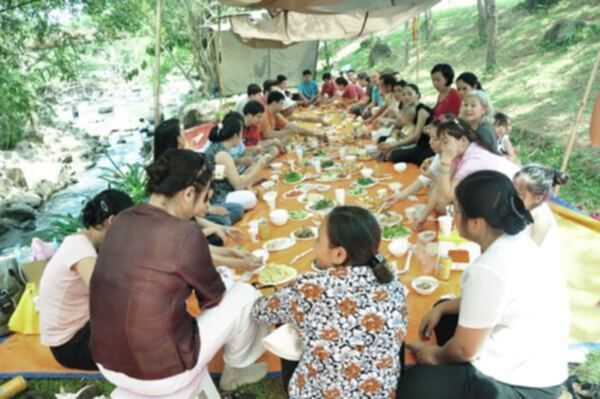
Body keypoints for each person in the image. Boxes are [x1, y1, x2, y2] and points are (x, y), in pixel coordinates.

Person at [90, 150, 270, 397]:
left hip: (106, 363)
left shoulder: (121, 220)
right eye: (205, 197)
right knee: (245, 295)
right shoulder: (185, 233)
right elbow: (213, 298)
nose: (206, 205)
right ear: (187, 194)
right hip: (162, 373)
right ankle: (235, 371)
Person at [397, 170, 569, 399]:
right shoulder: (516, 240)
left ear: (477, 223)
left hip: (525, 385)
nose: (452, 214)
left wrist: (435, 355)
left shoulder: (489, 267)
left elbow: (466, 350)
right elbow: (497, 298)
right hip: (535, 364)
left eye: (455, 210)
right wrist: (441, 308)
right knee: (445, 311)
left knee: (412, 384)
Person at [251, 206, 408, 399]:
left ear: (339, 254)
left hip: (320, 394)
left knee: (287, 323)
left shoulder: (310, 289)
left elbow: (259, 311)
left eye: (318, 239)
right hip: (380, 393)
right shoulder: (392, 283)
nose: (314, 246)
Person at [39, 189, 134, 371]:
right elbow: (107, 295)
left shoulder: (83, 243)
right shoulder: (80, 248)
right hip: (72, 345)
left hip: (83, 329)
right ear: (112, 221)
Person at [153, 118, 245, 228]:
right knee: (225, 221)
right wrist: (210, 210)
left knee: (236, 209)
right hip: (186, 218)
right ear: (178, 139)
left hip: (200, 207)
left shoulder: (162, 165)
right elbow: (186, 205)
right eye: (182, 132)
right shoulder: (177, 166)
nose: (185, 135)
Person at [435, 117, 520, 208]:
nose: (442, 148)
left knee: (453, 208)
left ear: (463, 141)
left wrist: (445, 162)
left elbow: (444, 198)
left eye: (445, 142)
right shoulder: (466, 151)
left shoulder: (473, 160)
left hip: (517, 200)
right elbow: (441, 193)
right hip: (505, 197)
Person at [205, 113, 271, 210]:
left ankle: (250, 187)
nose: (242, 138)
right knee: (250, 197)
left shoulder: (216, 147)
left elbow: (218, 177)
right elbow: (238, 186)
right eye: (241, 133)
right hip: (219, 197)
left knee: (245, 179)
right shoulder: (223, 154)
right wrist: (260, 165)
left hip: (218, 191)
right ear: (235, 135)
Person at [385, 118, 445, 207]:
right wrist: (400, 195)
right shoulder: (439, 155)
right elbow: (424, 179)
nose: (430, 142)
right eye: (430, 137)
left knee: (437, 202)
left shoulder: (456, 161)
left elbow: (450, 190)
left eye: (435, 139)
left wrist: (432, 177)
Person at [514, 165, 568, 250]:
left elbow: (531, 252)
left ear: (537, 198)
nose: (513, 198)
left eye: (520, 195)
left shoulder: (541, 218)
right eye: (512, 192)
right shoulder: (522, 205)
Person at [381, 83, 435, 166]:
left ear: (417, 95)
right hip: (412, 139)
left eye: (410, 94)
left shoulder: (422, 110)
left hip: (425, 144)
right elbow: (403, 125)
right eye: (404, 94)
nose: (406, 97)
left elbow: (416, 136)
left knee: (395, 154)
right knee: (383, 141)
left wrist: (394, 144)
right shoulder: (410, 108)